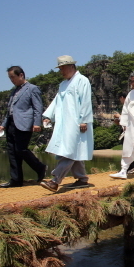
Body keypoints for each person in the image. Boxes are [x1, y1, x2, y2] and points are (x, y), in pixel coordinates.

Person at [40, 56, 94, 191]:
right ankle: (82, 179)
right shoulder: (63, 84)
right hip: (65, 123)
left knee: (69, 152)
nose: (61, 71)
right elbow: (57, 101)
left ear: (71, 66)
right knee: (75, 151)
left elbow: (86, 101)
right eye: (60, 68)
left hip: (77, 123)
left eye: (63, 68)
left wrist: (83, 120)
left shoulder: (82, 80)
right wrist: (48, 116)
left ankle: (55, 180)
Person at [0, 66, 47, 187]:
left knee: (21, 149)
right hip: (11, 124)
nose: (11, 80)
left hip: (24, 124)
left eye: (13, 77)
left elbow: (37, 107)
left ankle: (40, 168)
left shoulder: (33, 89)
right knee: (12, 152)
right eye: (10, 78)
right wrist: (2, 125)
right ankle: (16, 180)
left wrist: (36, 123)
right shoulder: (13, 91)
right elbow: (10, 111)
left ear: (21, 75)